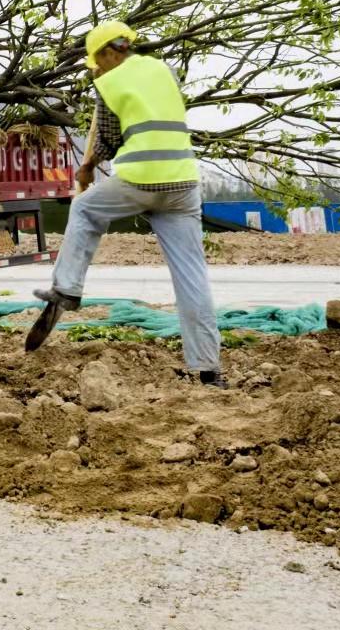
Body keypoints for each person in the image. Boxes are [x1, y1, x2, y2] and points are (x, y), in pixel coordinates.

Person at [28, 21, 223, 386]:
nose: (97, 70)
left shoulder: (110, 82)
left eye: (97, 62)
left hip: (140, 178)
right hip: (182, 184)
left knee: (85, 209)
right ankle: (210, 370)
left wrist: (86, 168)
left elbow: (107, 142)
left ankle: (67, 288)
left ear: (108, 52)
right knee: (192, 279)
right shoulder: (164, 71)